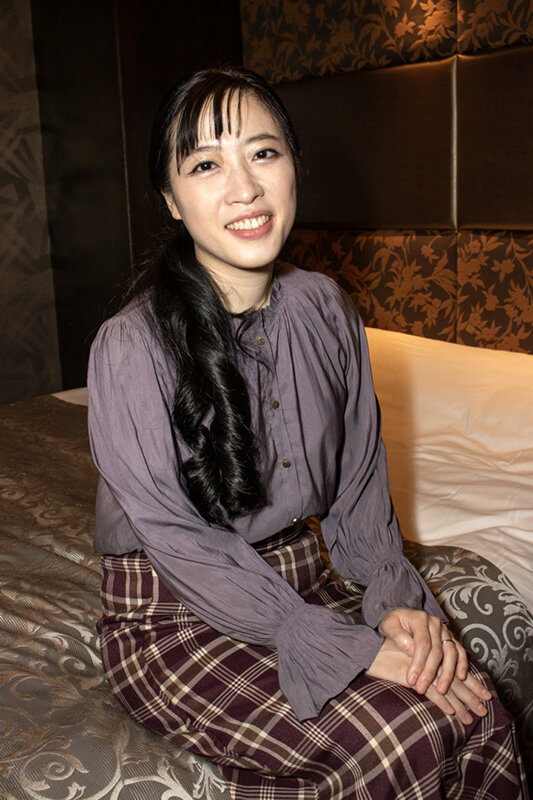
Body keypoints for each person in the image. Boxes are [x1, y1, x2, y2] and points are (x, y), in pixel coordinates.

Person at [88, 66, 528, 799]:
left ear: (294, 165)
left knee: (476, 709)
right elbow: (174, 535)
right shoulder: (131, 345)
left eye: (263, 153)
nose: (244, 188)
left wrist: (394, 602)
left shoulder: (325, 307)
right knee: (405, 734)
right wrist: (344, 647)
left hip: (307, 580)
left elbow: (359, 487)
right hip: (174, 612)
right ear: (170, 198)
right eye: (206, 165)